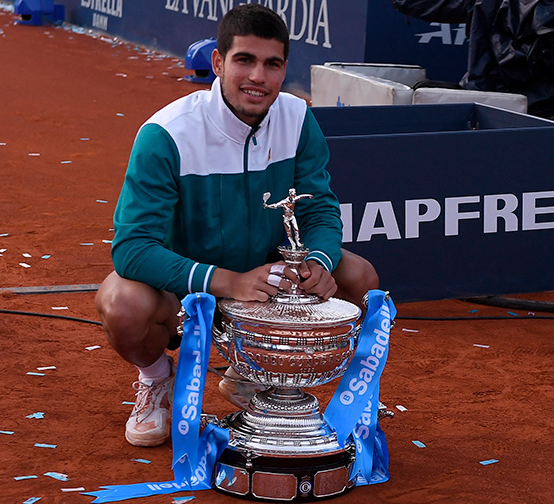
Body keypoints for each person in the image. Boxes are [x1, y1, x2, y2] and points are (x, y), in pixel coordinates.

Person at [95, 5, 378, 447]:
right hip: (184, 293)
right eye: (245, 60)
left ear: (285, 69)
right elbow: (132, 248)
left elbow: (319, 209)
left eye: (272, 64)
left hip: (266, 283)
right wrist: (228, 281)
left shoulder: (299, 118)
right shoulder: (166, 134)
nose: (258, 77)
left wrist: (318, 261)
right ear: (218, 63)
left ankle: (252, 372)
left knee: (357, 276)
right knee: (122, 302)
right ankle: (156, 379)